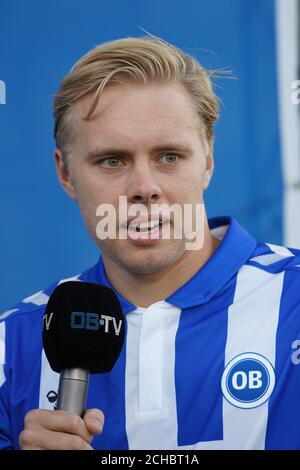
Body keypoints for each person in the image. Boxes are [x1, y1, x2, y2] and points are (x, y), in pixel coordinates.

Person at [1, 35, 300, 451]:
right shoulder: (9, 348)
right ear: (66, 173)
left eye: (169, 156)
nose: (145, 187)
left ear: (208, 160)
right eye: (112, 160)